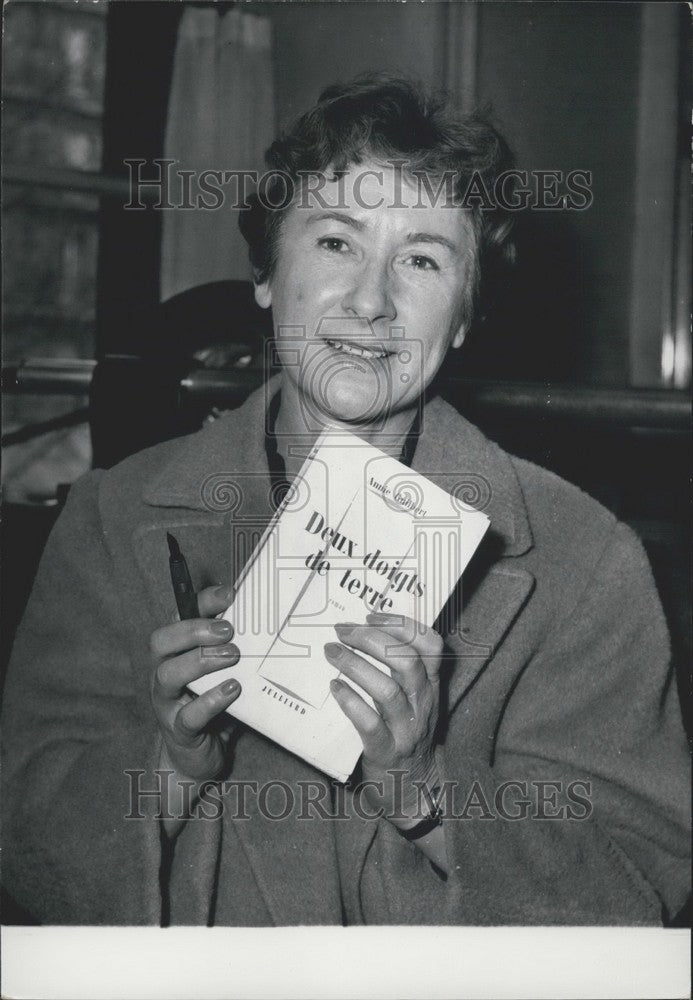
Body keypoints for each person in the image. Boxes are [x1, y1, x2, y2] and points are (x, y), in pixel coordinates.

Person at [2, 75, 689, 926]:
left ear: (464, 316)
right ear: (264, 275)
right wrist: (171, 767)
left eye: (424, 260)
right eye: (335, 243)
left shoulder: (581, 561)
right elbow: (20, 848)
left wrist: (425, 790)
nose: (371, 301)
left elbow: (639, 896)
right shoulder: (113, 517)